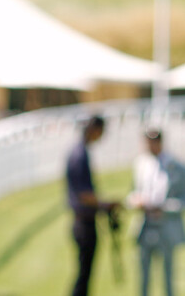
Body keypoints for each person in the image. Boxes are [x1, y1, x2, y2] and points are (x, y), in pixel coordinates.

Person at [127, 128, 185, 296]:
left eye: (153, 142)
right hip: (145, 227)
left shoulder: (177, 166)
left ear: (160, 142)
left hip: (167, 227)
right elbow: (132, 193)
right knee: (143, 278)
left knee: (168, 277)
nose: (149, 146)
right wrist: (136, 201)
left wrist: (164, 207)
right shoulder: (141, 164)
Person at [65, 115, 120, 296]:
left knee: (85, 274)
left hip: (85, 221)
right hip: (84, 222)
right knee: (83, 275)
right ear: (94, 129)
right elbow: (84, 195)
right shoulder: (79, 155)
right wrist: (105, 204)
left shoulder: (80, 152)